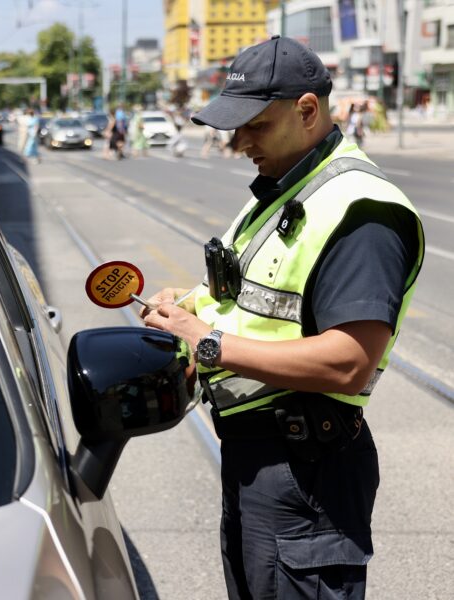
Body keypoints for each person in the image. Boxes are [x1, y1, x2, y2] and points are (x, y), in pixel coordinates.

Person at [140, 36, 423, 600]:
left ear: (307, 110)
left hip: (305, 472)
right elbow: (253, 294)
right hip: (260, 459)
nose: (240, 142)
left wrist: (207, 342)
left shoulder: (360, 211)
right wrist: (190, 303)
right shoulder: (285, 185)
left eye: (256, 126)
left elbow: (348, 363)